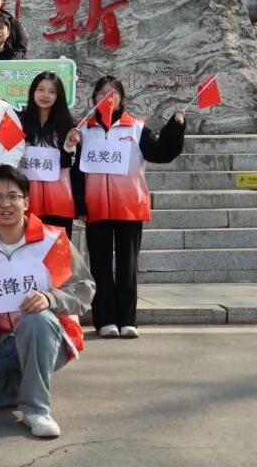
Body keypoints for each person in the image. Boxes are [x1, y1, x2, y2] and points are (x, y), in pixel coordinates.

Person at [0, 165, 94, 439]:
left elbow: (82, 289)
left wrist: (49, 298)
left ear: (26, 201)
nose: (5, 204)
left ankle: (36, 409)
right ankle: (22, 384)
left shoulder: (52, 240)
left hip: (50, 335)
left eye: (13, 196)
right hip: (4, 343)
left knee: (35, 318)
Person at [75, 76, 185, 339]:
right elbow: (76, 171)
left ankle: (127, 319)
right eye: (102, 93)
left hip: (129, 205)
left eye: (113, 93)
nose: (107, 97)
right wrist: (79, 203)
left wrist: (175, 128)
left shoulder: (136, 127)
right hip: (96, 206)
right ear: (93, 98)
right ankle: (105, 320)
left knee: (128, 265)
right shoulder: (83, 131)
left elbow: (160, 152)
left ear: (121, 98)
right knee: (100, 265)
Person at [19, 72, 79, 237]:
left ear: (58, 96)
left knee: (58, 250)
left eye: (52, 92)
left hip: (60, 201)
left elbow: (68, 164)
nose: (45, 95)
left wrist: (69, 146)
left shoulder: (67, 124)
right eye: (41, 89)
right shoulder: (20, 122)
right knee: (29, 249)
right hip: (27, 202)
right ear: (33, 91)